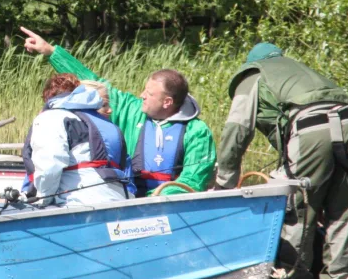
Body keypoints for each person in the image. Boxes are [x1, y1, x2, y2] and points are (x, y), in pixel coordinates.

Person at [214, 42, 348, 279]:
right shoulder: (302, 72)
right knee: (346, 214)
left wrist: (225, 183)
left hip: (310, 130)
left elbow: (237, 130)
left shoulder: (254, 75)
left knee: (299, 213)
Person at [20, 26, 216, 196]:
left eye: (149, 93)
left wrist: (158, 198)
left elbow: (193, 179)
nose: (141, 95)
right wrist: (51, 52)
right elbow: (94, 83)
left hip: (166, 204)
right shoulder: (132, 110)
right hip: (129, 198)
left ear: (167, 102)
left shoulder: (197, 131)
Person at [21, 73, 134, 206]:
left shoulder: (52, 117)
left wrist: (42, 199)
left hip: (79, 202)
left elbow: (50, 165)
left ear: (48, 99)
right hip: (120, 199)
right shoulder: (108, 125)